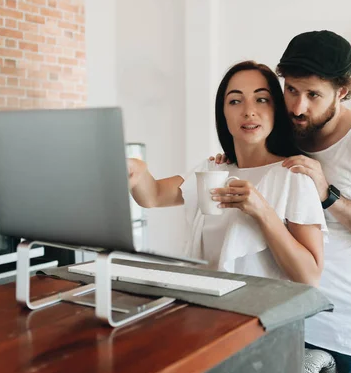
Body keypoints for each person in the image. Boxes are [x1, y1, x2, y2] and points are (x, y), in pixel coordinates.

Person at [214, 31, 351, 373]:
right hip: (291, 320)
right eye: (291, 89)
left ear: (342, 92)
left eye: (313, 95)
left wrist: (328, 196)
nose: (297, 106)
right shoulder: (288, 128)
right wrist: (233, 158)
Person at [127, 60, 327, 287]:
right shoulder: (214, 169)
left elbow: (310, 277)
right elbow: (153, 195)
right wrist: (137, 168)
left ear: (275, 110)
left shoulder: (293, 176)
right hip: (212, 312)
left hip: (261, 317)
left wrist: (262, 212)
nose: (249, 111)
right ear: (223, 113)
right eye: (235, 101)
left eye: (261, 100)